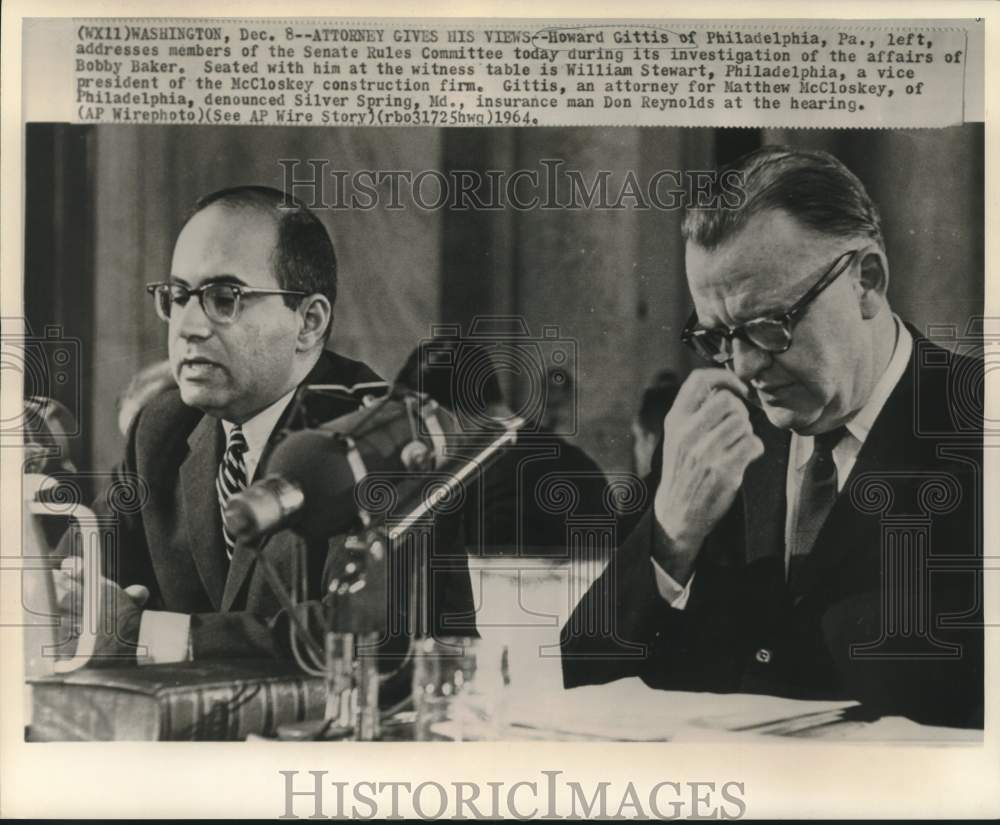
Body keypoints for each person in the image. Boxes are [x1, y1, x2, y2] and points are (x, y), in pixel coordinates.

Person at [561, 147, 984, 728]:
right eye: (718, 338)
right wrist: (670, 536)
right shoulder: (717, 437)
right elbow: (578, 676)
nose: (744, 367)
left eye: (769, 326)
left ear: (867, 282)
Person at [53, 186, 475, 666]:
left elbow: (377, 637)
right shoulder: (163, 426)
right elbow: (70, 583)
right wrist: (61, 597)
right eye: (177, 295)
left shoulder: (389, 437)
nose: (187, 326)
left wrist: (147, 632)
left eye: (223, 297)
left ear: (309, 322)